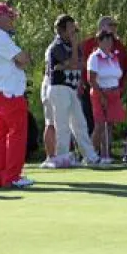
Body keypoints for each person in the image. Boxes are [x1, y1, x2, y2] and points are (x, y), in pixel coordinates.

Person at [0, 2, 34, 188]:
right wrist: (23, 59)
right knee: (16, 135)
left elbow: (19, 62)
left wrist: (20, 61)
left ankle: (1, 177)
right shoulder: (0, 37)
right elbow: (23, 59)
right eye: (9, 16)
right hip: (9, 95)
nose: (12, 19)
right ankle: (12, 177)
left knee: (1, 136)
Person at [40, 15, 100, 168]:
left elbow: (81, 64)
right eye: (71, 28)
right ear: (61, 30)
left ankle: (90, 156)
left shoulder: (74, 46)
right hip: (59, 88)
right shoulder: (56, 47)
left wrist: (70, 63)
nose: (74, 31)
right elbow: (74, 63)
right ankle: (62, 156)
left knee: (80, 123)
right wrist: (73, 53)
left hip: (71, 88)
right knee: (62, 125)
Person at [79, 16, 127, 135]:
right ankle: (91, 146)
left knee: (110, 123)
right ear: (101, 27)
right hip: (93, 89)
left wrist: (122, 86)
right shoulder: (89, 43)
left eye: (115, 25)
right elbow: (81, 64)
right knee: (94, 122)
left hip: (113, 89)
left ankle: (107, 146)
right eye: (111, 25)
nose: (114, 28)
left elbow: (126, 67)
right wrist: (81, 82)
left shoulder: (119, 45)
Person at [87, 31, 125, 163]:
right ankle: (90, 155)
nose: (109, 43)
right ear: (99, 41)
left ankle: (105, 155)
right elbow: (91, 79)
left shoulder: (113, 56)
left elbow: (117, 74)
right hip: (100, 93)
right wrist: (101, 95)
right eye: (106, 40)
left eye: (111, 40)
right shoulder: (94, 57)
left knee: (109, 125)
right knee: (99, 125)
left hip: (113, 93)